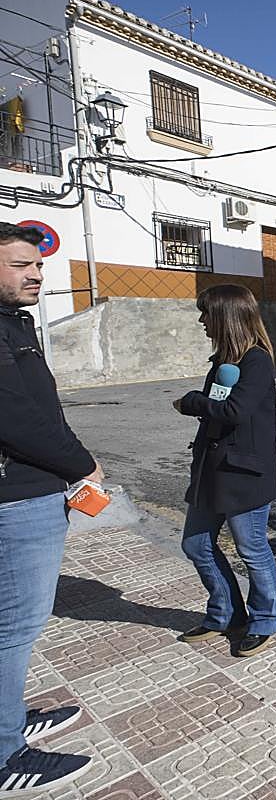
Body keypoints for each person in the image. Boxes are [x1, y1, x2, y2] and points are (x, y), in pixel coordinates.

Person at [0, 223, 98, 792]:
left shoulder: (15, 322)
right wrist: (80, 463)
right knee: (15, 627)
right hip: (15, 501)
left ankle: (8, 713)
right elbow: (13, 416)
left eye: (37, 264)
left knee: (12, 626)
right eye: (19, 264)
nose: (36, 273)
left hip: (33, 490)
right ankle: (6, 752)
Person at [173, 284, 276, 658]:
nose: (202, 321)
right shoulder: (222, 359)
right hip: (212, 471)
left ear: (226, 317)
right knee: (196, 544)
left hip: (244, 475)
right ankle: (227, 614)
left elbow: (235, 410)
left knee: (252, 549)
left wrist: (191, 403)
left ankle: (265, 619)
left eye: (207, 314)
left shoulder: (257, 360)